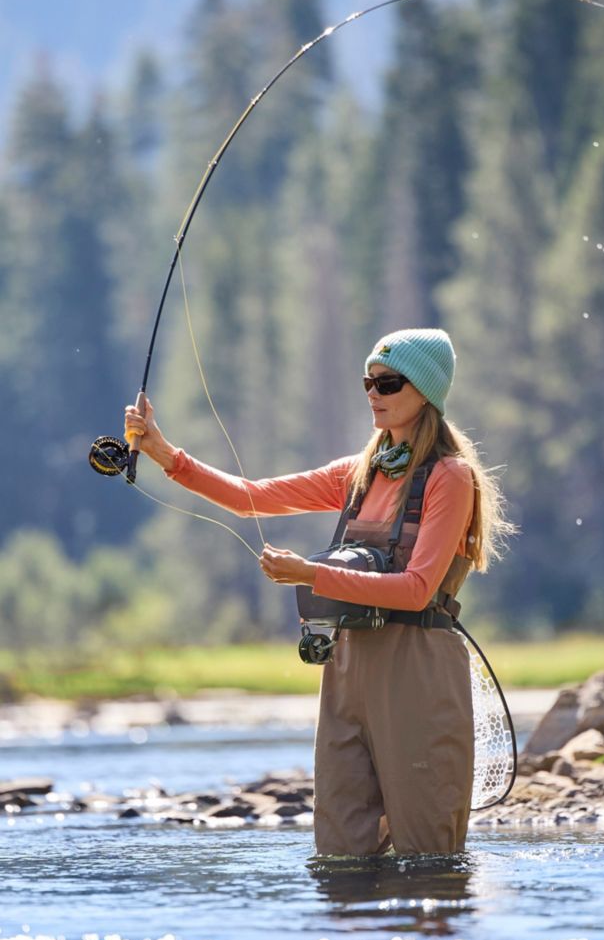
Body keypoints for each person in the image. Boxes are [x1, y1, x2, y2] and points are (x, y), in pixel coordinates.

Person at [124, 327, 512, 855]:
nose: (374, 393)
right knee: (340, 853)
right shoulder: (357, 474)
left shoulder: (450, 477)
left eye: (389, 383)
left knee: (429, 855)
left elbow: (419, 590)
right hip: (348, 669)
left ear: (426, 391)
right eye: (368, 382)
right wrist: (163, 452)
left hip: (418, 668)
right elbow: (250, 498)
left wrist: (311, 575)